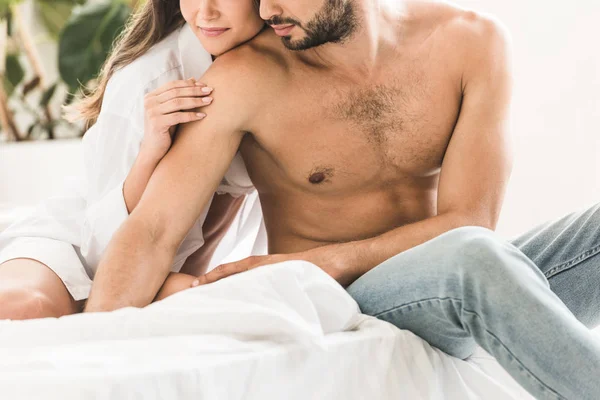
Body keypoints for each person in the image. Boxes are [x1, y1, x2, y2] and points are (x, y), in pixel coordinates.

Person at [85, 0, 600, 399]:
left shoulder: (472, 43)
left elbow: (470, 221)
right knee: (473, 259)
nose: (266, 11)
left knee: (479, 253)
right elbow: (152, 231)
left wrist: (308, 263)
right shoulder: (246, 78)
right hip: (349, 301)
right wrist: (94, 344)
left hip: (436, 281)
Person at [0, 0, 269, 320]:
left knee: (232, 308)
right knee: (26, 308)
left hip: (158, 268)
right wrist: (150, 153)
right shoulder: (150, 79)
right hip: (76, 248)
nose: (205, 12)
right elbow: (102, 243)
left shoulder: (282, 69)